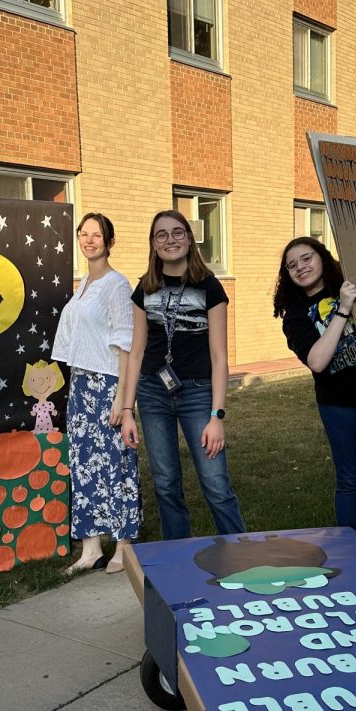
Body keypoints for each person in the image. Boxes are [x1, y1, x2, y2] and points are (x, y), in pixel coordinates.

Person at [122, 209, 244, 540]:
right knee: (165, 483)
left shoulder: (209, 287)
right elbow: (136, 353)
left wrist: (217, 415)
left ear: (190, 239)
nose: (170, 239)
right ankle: (177, 559)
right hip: (152, 392)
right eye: (161, 234)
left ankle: (240, 556)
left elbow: (220, 358)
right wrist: (126, 411)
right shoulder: (144, 289)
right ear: (153, 244)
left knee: (216, 483)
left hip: (197, 393)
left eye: (177, 232)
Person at [274, 236, 356, 550]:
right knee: (350, 480)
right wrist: (342, 311)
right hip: (339, 404)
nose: (301, 267)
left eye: (306, 258)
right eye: (292, 265)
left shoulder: (351, 288)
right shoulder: (296, 316)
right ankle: (348, 551)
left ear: (322, 258)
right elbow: (317, 360)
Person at [51, 212, 140, 574]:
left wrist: (122, 397)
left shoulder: (117, 285)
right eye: (84, 234)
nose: (89, 240)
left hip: (107, 385)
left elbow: (125, 341)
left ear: (109, 241)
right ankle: (91, 548)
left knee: (116, 463)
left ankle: (123, 544)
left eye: (97, 235)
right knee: (85, 466)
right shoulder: (84, 283)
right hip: (81, 384)